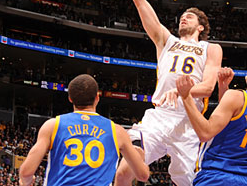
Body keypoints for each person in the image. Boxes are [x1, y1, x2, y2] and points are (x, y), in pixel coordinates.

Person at [110, 0, 223, 186]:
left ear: (201, 27)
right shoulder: (166, 41)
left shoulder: (211, 48)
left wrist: (185, 93)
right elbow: (140, 0)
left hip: (188, 121)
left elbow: (209, 87)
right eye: (182, 16)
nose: (184, 18)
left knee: (189, 183)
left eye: (190, 17)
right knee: (123, 173)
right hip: (158, 116)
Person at [18, 74, 149, 186]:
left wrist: (27, 181)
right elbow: (142, 176)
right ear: (97, 98)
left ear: (70, 99)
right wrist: (139, 157)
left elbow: (26, 172)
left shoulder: (53, 125)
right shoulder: (117, 131)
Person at [176, 58, 247, 185]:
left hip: (216, 176)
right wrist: (223, 86)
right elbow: (234, 120)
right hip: (246, 180)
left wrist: (186, 96)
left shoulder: (236, 96)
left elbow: (205, 133)